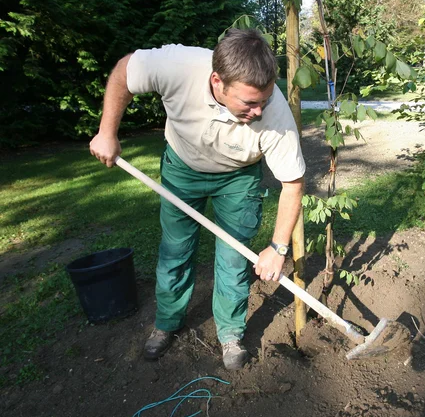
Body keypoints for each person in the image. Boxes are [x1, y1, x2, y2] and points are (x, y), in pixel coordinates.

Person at [89, 29, 306, 370]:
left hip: (238, 178)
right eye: (249, 102)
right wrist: (107, 131)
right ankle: (167, 323)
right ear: (217, 81)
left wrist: (278, 248)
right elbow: (124, 72)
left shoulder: (275, 113)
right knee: (175, 251)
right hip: (182, 169)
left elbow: (292, 185)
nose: (259, 111)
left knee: (234, 259)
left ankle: (231, 334)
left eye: (263, 100)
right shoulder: (176, 66)